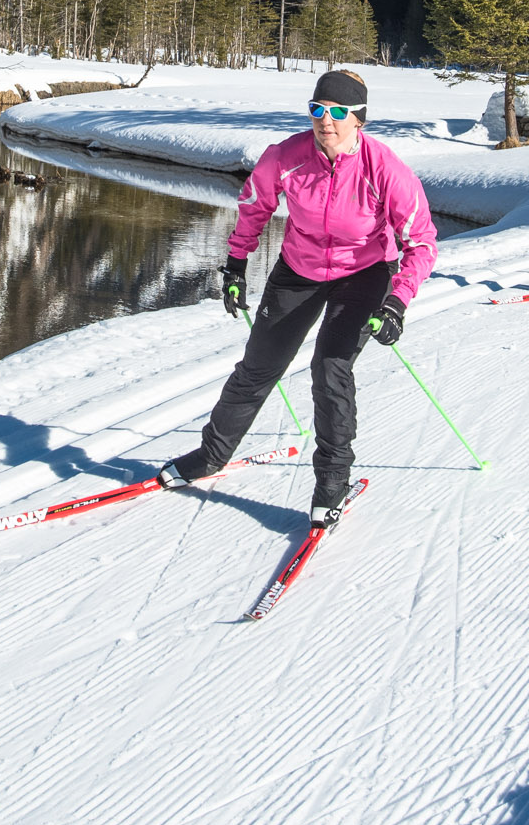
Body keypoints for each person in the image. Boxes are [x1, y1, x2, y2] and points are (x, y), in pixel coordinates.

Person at [160, 69, 439, 525]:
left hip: (364, 274)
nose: (324, 120)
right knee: (257, 367)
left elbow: (422, 242)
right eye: (317, 109)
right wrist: (236, 263)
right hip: (299, 269)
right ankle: (212, 455)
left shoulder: (384, 168)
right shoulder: (286, 156)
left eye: (336, 112)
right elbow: (255, 207)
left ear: (359, 120)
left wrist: (397, 301)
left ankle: (333, 481)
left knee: (330, 369)